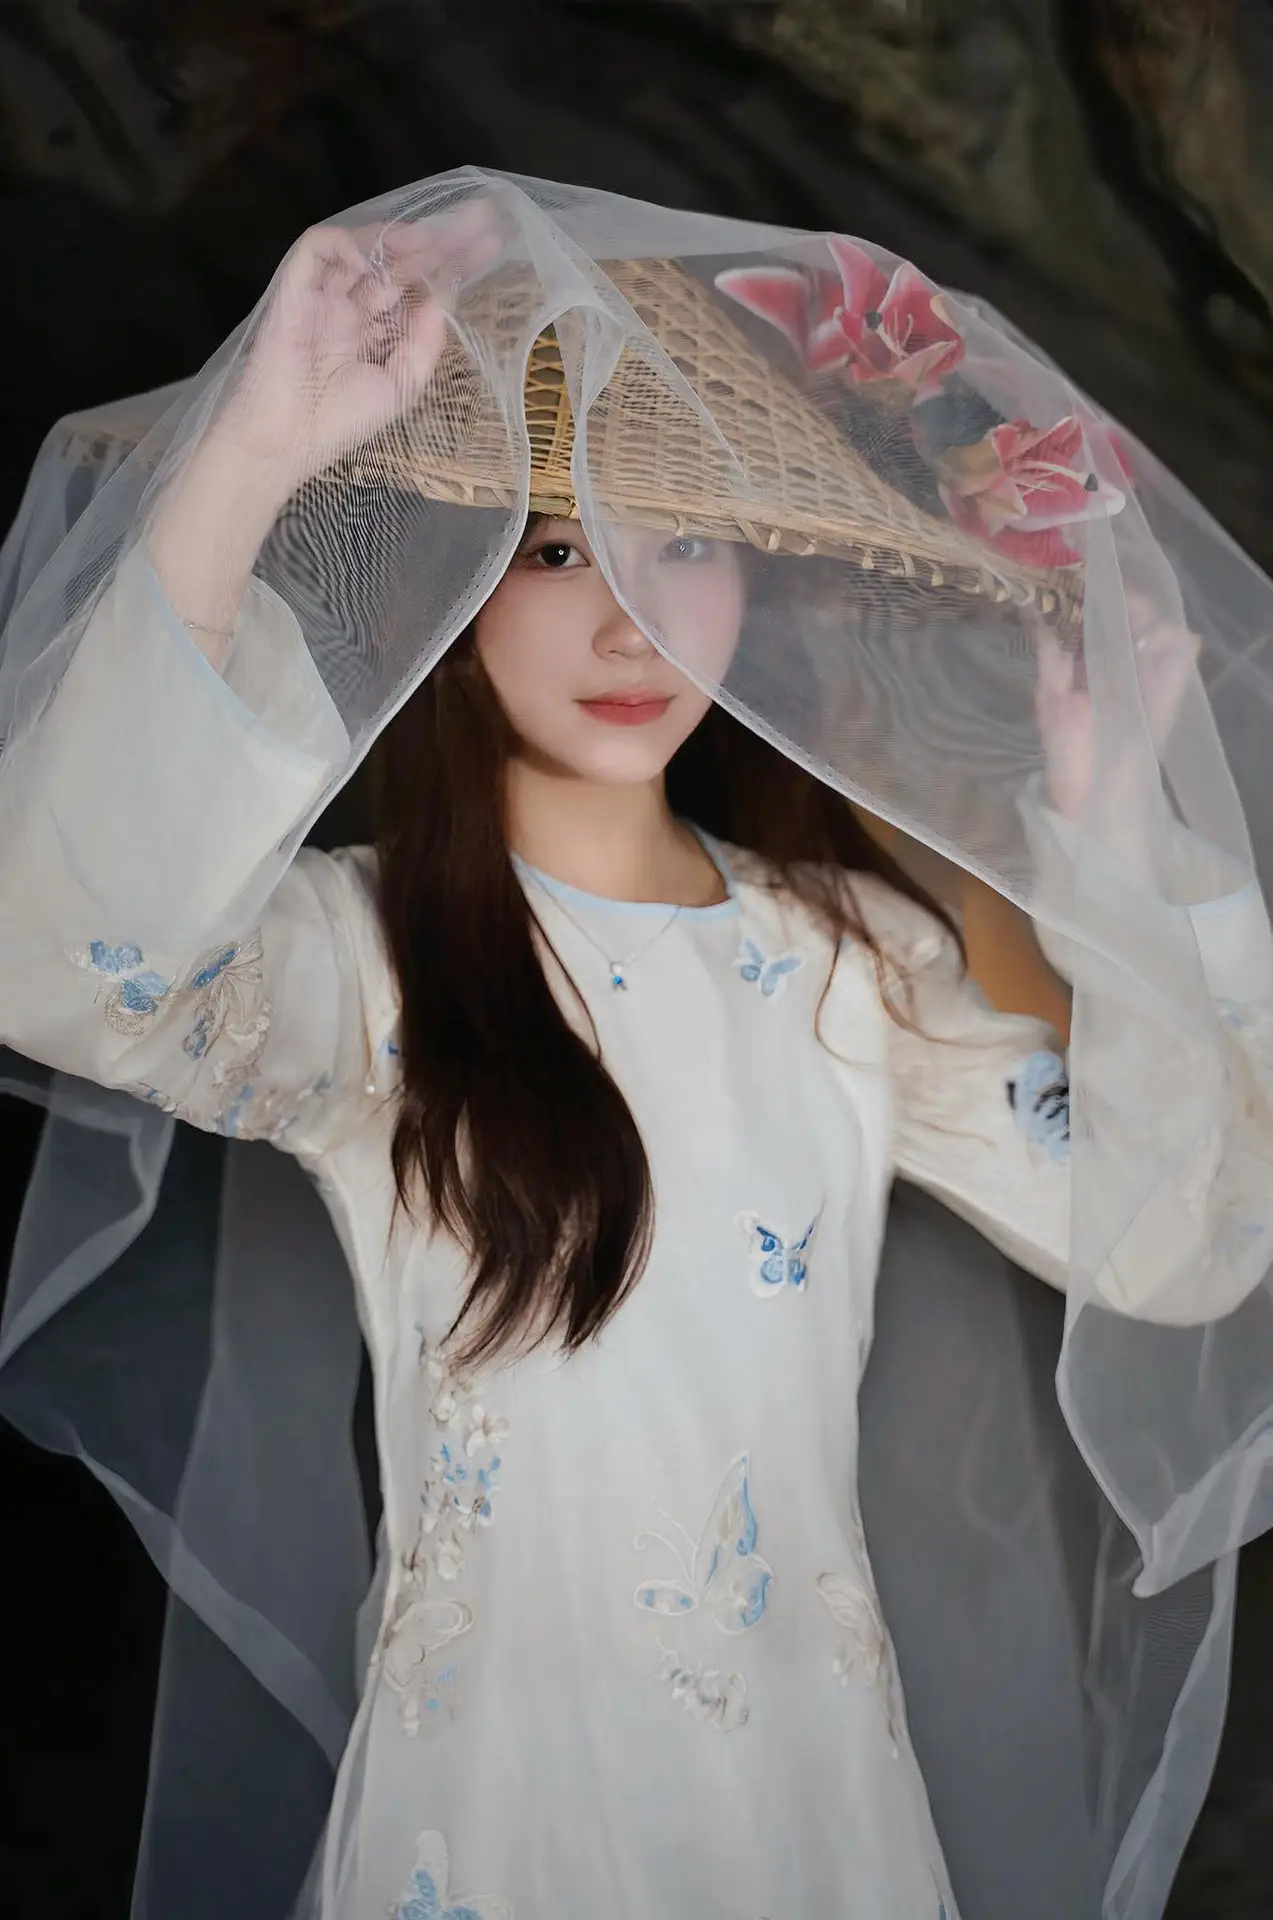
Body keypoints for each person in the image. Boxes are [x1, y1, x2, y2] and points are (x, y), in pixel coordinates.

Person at [1, 170, 1271, 1920]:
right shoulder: (366, 962)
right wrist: (252, 461)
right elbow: (69, 962)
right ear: (453, 586)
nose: (629, 621)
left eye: (685, 541)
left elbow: (1176, 1246)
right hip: (500, 1815)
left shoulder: (849, 959)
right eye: (553, 547)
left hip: (816, 1817)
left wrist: (1121, 838)